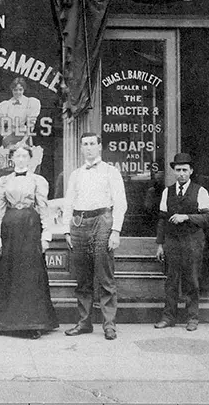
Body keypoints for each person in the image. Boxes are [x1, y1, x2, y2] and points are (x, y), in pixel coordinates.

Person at [0, 144, 58, 339]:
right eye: (17, 156)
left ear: (30, 159)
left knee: (30, 273)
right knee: (9, 272)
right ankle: (4, 323)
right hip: (9, 228)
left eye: (24, 156)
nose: (21, 159)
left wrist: (46, 235)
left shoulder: (38, 180)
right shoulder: (3, 181)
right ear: (12, 159)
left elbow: (43, 208)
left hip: (30, 227)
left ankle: (32, 323)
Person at [61, 132, 128, 341]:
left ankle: (109, 325)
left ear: (99, 146)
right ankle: (84, 322)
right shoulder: (76, 174)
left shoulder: (111, 172)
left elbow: (120, 202)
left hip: (102, 220)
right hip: (79, 223)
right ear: (81, 148)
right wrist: (66, 230)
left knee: (105, 276)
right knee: (82, 278)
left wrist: (115, 230)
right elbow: (68, 202)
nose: (88, 147)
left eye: (92, 144)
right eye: (85, 144)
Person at [154, 153, 209, 332]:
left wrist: (186, 216)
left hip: (192, 241)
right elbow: (162, 219)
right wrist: (160, 244)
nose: (181, 174)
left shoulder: (200, 191)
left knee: (191, 280)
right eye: (178, 170)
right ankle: (168, 317)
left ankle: (192, 318)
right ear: (174, 171)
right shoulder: (167, 192)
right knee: (171, 281)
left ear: (191, 171)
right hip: (172, 242)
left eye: (184, 170)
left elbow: (207, 218)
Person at [0, 77, 41, 148]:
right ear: (12, 90)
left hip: (24, 135)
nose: (18, 92)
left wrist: (22, 142)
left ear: (24, 89)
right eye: (15, 90)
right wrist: (5, 137)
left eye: (20, 90)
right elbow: (0, 126)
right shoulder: (5, 105)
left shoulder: (30, 102)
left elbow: (31, 126)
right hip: (9, 136)